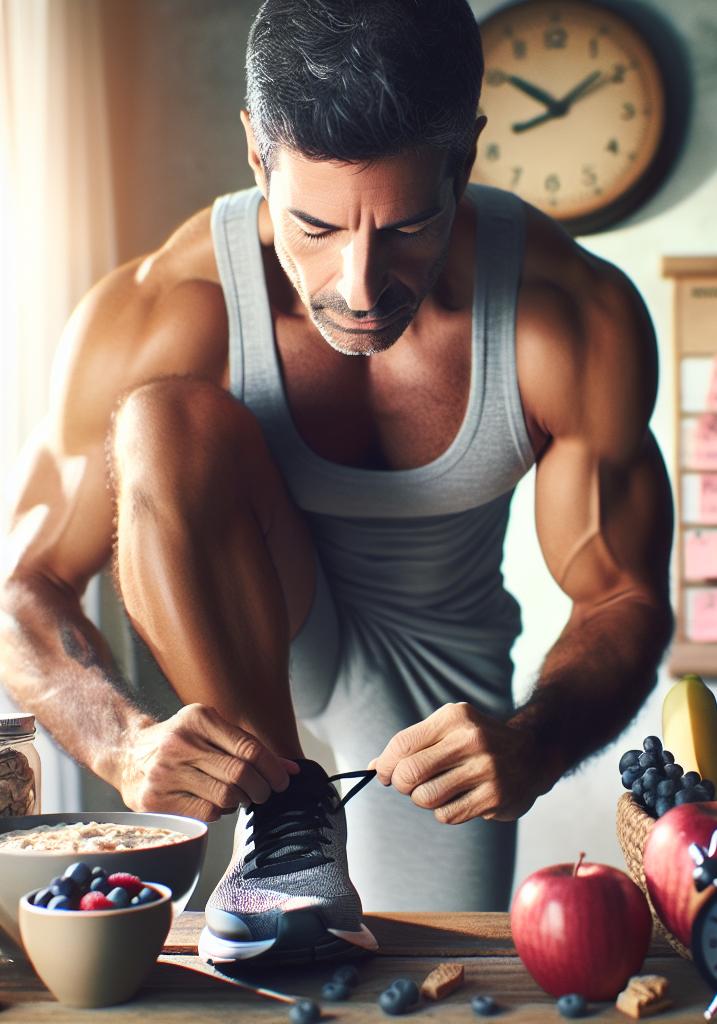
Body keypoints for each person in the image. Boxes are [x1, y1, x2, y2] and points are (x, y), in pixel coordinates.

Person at [0, 0, 672, 963]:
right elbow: (22, 583)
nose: (359, 286)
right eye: (313, 225)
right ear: (256, 152)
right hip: (247, 628)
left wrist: (535, 738)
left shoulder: (569, 317)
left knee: (420, 977)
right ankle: (288, 817)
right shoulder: (167, 306)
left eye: (405, 227)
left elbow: (621, 591)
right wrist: (119, 742)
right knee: (159, 420)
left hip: (432, 682)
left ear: (466, 159)